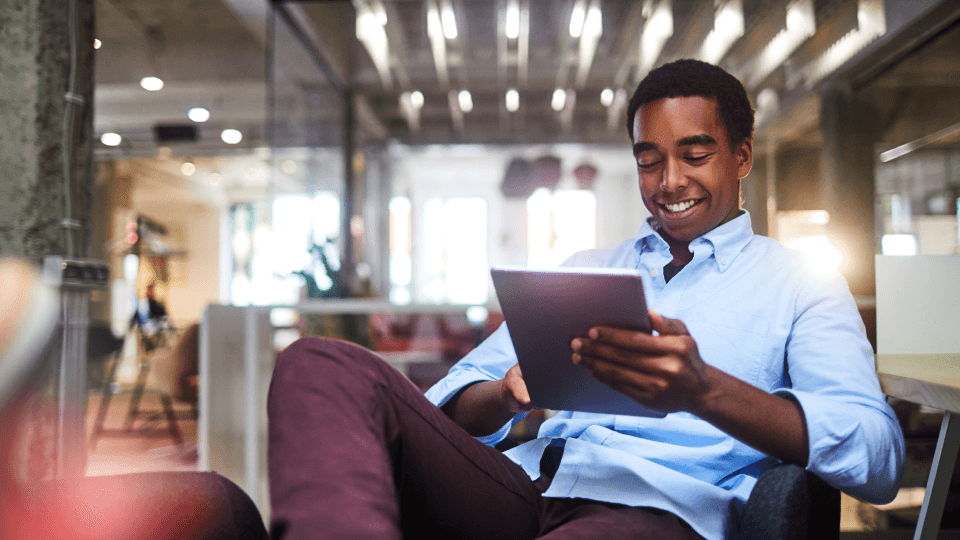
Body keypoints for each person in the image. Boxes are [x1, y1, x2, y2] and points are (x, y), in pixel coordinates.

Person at [267, 59, 904, 540]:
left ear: (740, 157)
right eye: (649, 160)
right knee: (318, 364)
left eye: (695, 154)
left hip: (659, 508)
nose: (670, 181)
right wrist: (507, 394)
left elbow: (877, 456)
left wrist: (702, 390)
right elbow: (452, 407)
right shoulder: (588, 271)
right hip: (524, 486)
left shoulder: (800, 282)